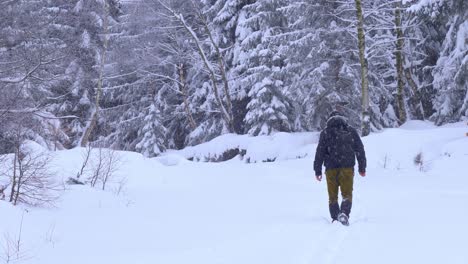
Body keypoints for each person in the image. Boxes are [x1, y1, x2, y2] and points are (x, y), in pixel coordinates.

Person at [313, 110, 366, 226]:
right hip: (347, 168)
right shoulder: (351, 131)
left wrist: (317, 170)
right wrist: (362, 168)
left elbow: (319, 152)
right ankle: (344, 214)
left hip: (331, 169)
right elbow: (360, 149)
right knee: (347, 194)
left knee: (332, 196)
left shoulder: (325, 132)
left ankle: (335, 217)